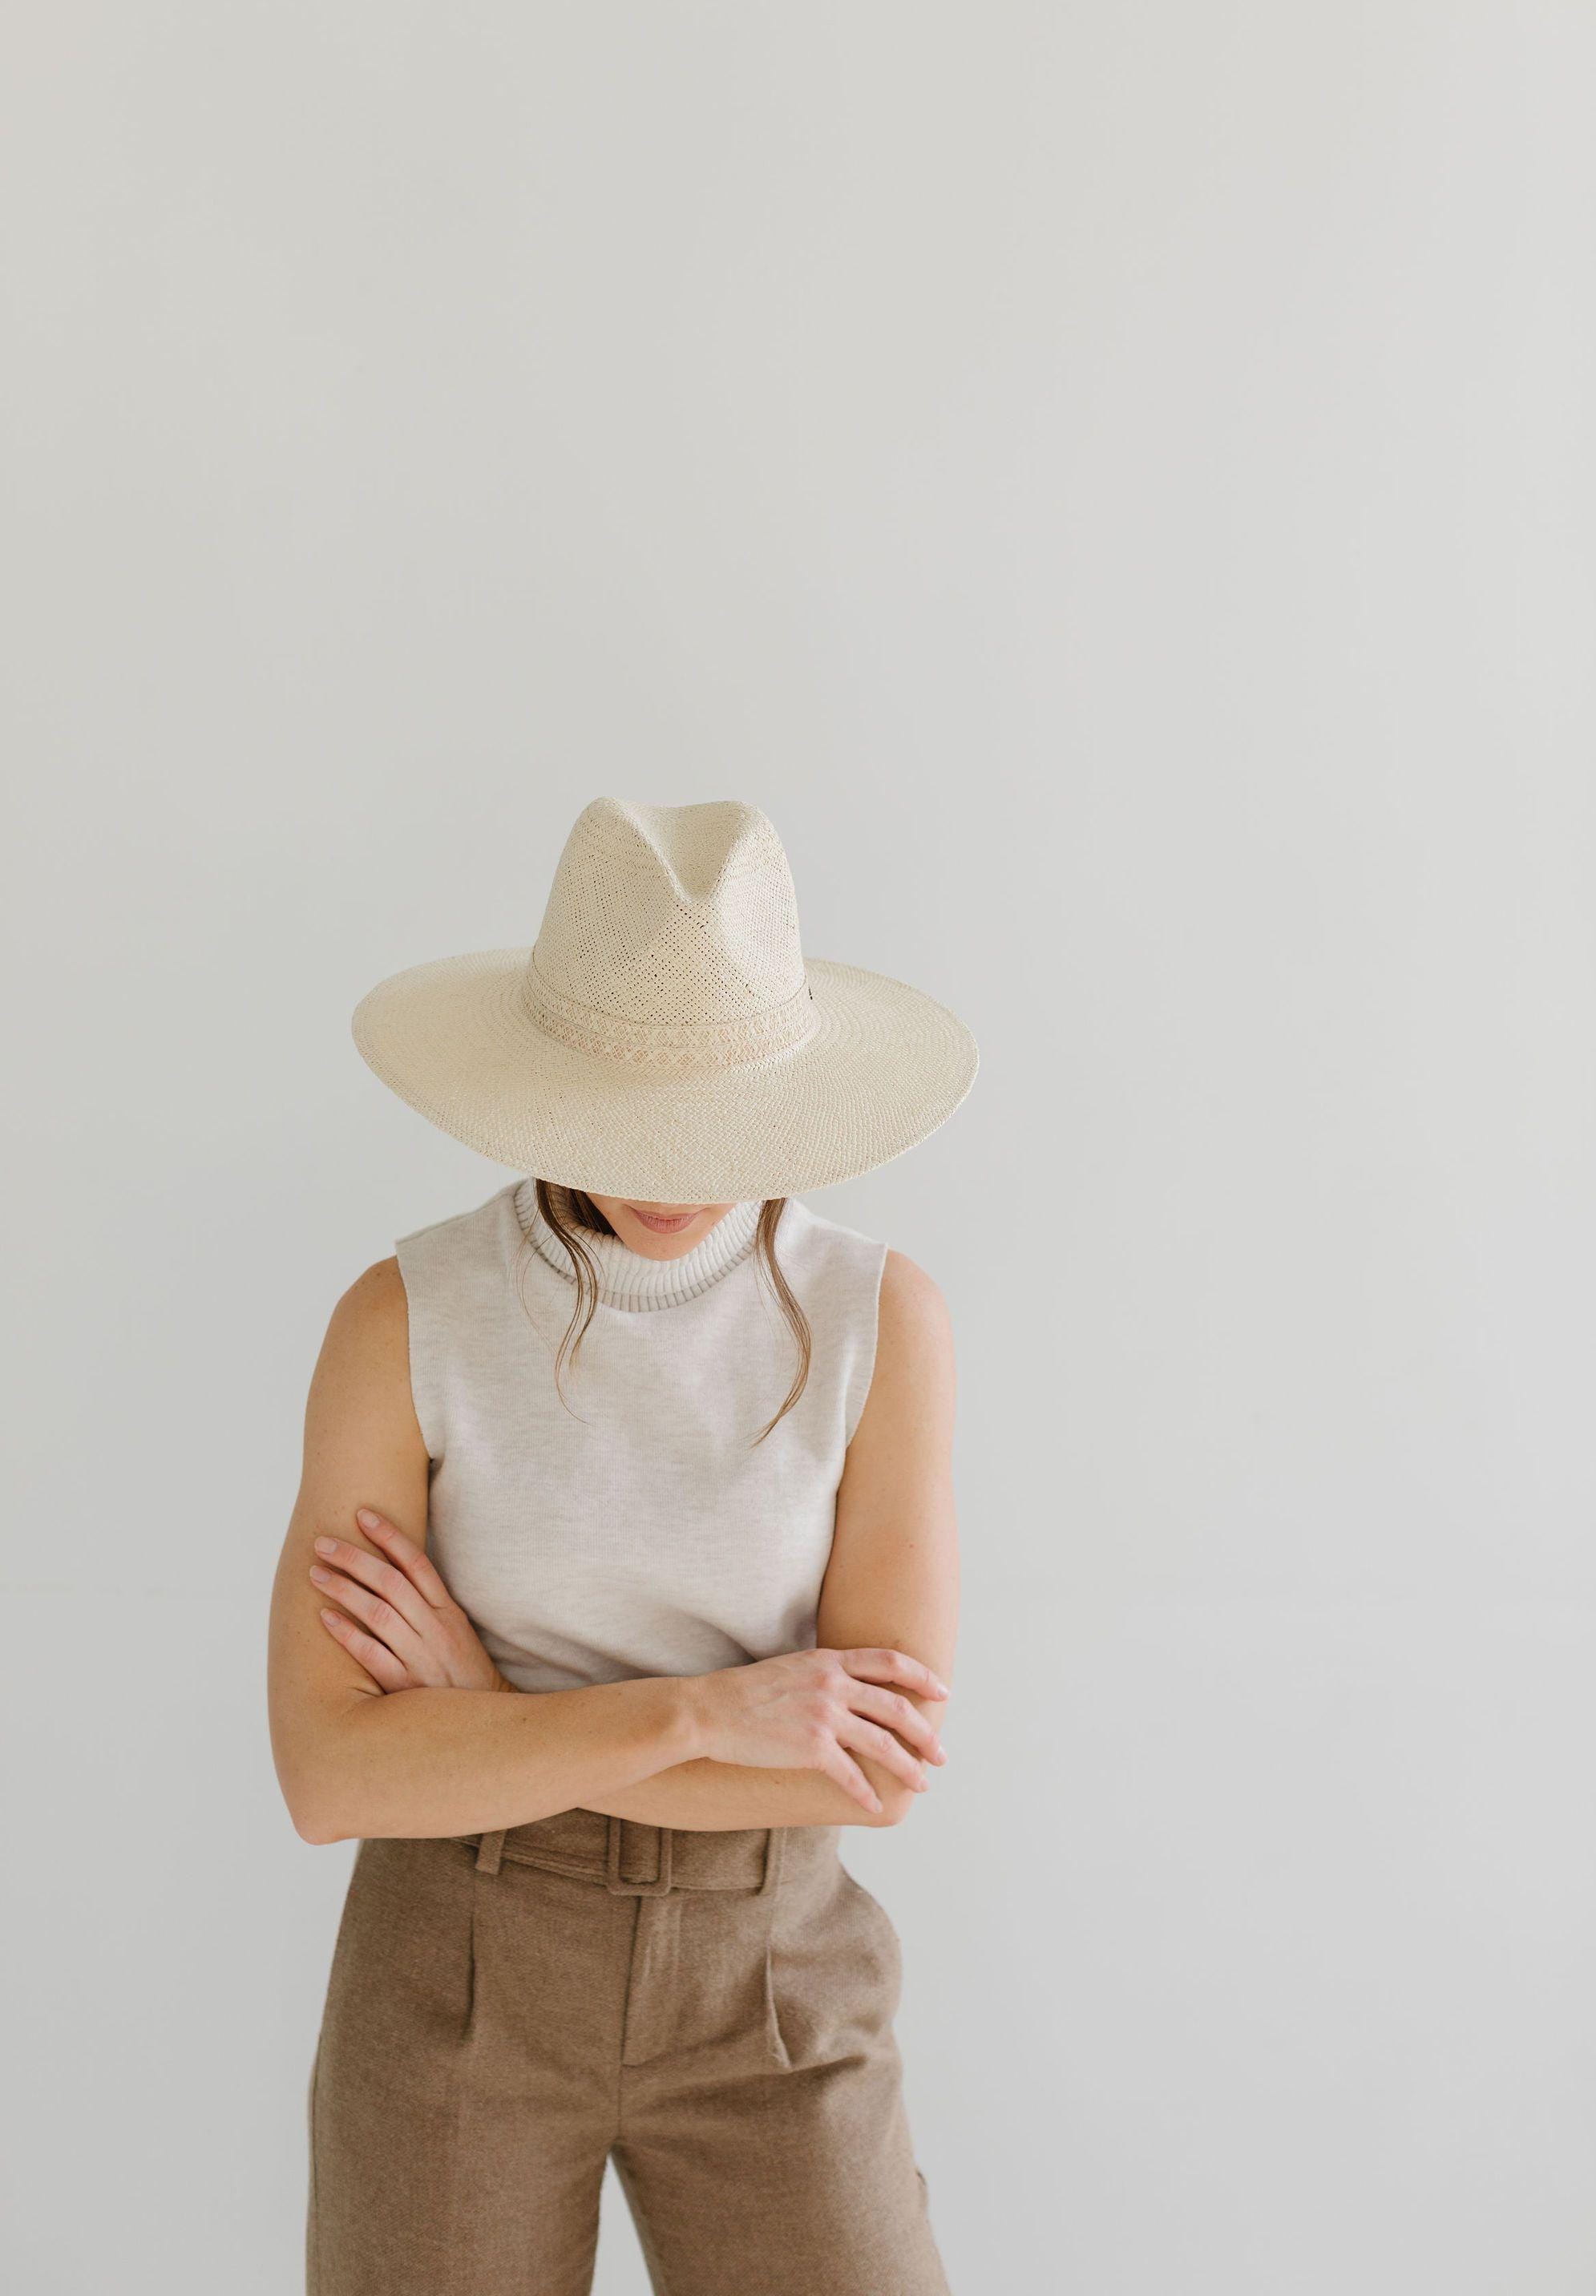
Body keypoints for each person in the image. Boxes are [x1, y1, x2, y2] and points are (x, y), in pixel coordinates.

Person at [268, 794, 979, 2296]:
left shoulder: (875, 1324)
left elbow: (874, 1767)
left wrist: (482, 1724)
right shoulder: (407, 1319)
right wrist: (707, 1709)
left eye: (715, 1121)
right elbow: (332, 1778)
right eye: (628, 1114)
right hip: (451, 1974)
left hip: (773, 1982)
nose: (671, 1170)